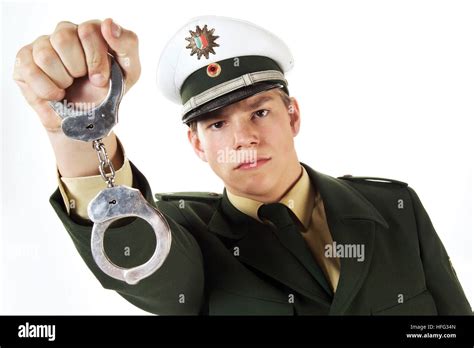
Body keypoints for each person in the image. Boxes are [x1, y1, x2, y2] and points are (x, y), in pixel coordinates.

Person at [13, 15, 471, 315]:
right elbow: (139, 258)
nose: (243, 138)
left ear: (293, 115)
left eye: (260, 111)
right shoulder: (185, 235)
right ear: (196, 144)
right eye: (216, 125)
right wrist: (75, 130)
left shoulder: (394, 207)